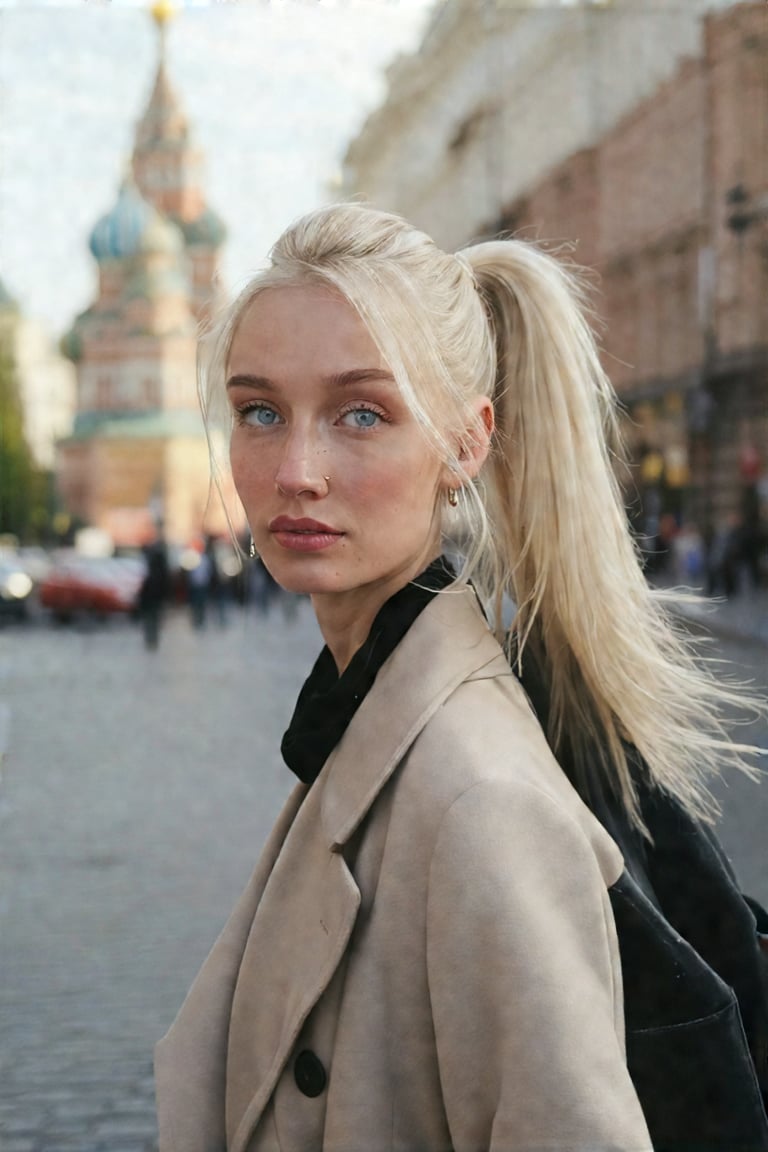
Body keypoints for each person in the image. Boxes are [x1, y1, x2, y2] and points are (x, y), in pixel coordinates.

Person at [155, 204, 768, 1151]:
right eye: (259, 412)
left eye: (363, 412)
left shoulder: (479, 800)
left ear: (466, 443)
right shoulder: (374, 716)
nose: (296, 470)